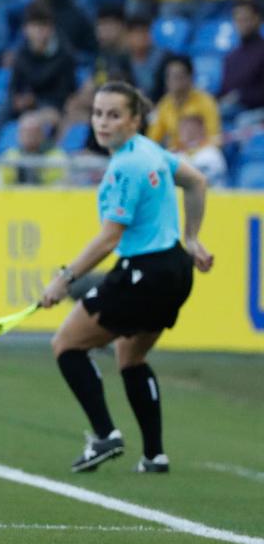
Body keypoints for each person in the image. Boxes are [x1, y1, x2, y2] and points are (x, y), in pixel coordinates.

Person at [39, 81, 213, 474]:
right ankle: (154, 455)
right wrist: (191, 238)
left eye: (114, 115)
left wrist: (63, 278)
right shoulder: (151, 151)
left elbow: (109, 238)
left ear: (135, 120)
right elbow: (196, 182)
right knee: (130, 354)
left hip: (143, 273)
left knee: (66, 344)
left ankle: (104, 436)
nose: (103, 122)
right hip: (175, 270)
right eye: (98, 113)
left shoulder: (124, 167)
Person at [9, 1, 79, 117]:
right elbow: (14, 86)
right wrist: (17, 99)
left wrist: (34, 100)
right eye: (34, 26)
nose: (38, 31)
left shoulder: (65, 55)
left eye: (43, 26)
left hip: (52, 107)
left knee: (31, 123)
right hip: (24, 106)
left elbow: (65, 93)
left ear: (51, 29)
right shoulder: (21, 53)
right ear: (25, 29)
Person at [147, 55, 221, 150]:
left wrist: (193, 149)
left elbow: (215, 138)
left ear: (189, 77)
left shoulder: (206, 101)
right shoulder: (164, 104)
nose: (174, 81)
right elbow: (152, 139)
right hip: (176, 156)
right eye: (170, 76)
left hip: (201, 153)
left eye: (178, 76)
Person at [218, 0, 264, 121]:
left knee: (243, 121)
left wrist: (240, 96)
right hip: (232, 108)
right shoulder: (231, 57)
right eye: (238, 20)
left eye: (246, 19)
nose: (242, 24)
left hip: (257, 111)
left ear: (257, 20)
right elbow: (224, 91)